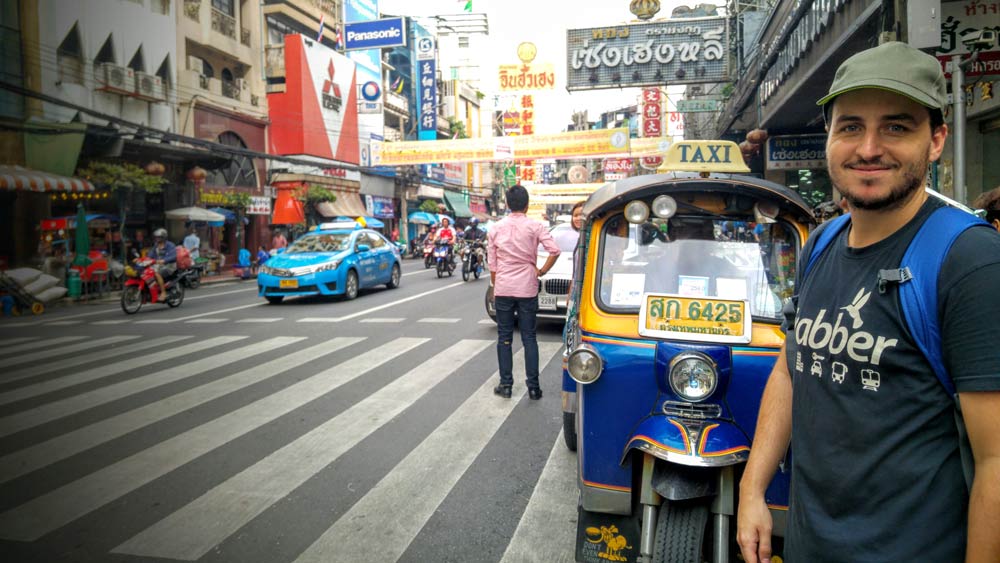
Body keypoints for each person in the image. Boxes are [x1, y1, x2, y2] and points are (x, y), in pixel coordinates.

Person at [736, 42, 1000, 563]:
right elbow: (792, 369)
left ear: (936, 140)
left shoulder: (970, 262)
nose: (869, 147)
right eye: (851, 126)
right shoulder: (822, 244)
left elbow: (996, 459)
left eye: (897, 127)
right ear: (830, 138)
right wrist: (752, 488)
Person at [487, 185, 560, 400]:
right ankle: (534, 388)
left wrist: (496, 285)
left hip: (504, 287)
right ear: (527, 205)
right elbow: (554, 250)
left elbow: (493, 264)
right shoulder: (535, 226)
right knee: (529, 337)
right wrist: (542, 270)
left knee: (504, 337)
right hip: (527, 286)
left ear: (507, 204)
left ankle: (506, 385)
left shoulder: (495, 228)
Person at [147, 228, 177, 302]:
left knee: (157, 274)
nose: (157, 239)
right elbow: (151, 254)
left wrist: (164, 260)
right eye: (156, 237)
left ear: (163, 237)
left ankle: (163, 293)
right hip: (158, 265)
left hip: (169, 266)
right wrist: (145, 259)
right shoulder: (156, 246)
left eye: (159, 237)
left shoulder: (170, 245)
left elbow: (173, 256)